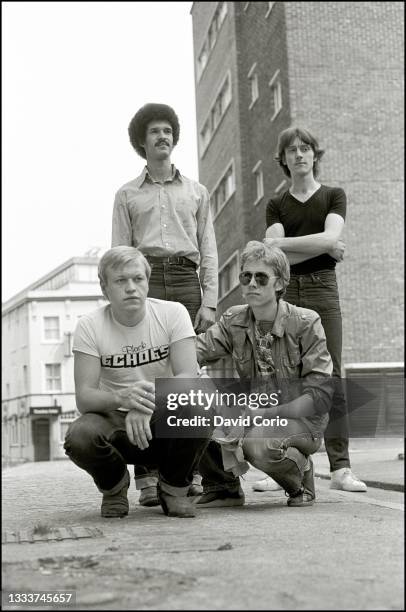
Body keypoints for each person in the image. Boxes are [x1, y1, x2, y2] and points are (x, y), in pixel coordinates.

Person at [111, 103, 218, 503]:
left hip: (186, 280)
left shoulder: (197, 192)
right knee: (144, 366)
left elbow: (208, 247)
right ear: (142, 141)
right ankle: (147, 478)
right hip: (146, 278)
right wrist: (124, 299)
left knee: (185, 377)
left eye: (167, 130)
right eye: (154, 131)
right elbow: (120, 252)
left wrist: (209, 299)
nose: (163, 136)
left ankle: (185, 472)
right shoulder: (126, 194)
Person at [257, 125, 366, 493]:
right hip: (286, 293)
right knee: (284, 378)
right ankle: (280, 460)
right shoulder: (276, 204)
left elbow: (320, 238)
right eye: (292, 150)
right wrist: (323, 245)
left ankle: (341, 468)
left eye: (306, 148)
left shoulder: (334, 195)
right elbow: (274, 251)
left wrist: (291, 243)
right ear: (284, 159)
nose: (300, 154)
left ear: (314, 155)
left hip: (322, 288)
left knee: (330, 377)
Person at [64, 246, 210, 519]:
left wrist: (143, 403)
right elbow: (84, 397)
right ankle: (114, 485)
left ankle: (174, 488)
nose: (131, 287)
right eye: (120, 281)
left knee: (200, 406)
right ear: (105, 288)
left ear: (147, 280)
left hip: (163, 419)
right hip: (117, 424)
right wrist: (122, 399)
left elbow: (188, 379)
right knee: (79, 437)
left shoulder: (173, 313)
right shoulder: (89, 325)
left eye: (138, 279)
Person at [195, 241, 334, 507]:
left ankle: (300, 478)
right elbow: (194, 350)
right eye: (246, 276)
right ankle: (223, 487)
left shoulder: (306, 323)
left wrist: (265, 415)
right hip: (254, 412)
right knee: (191, 396)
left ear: (280, 283)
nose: (252, 284)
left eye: (261, 277)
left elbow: (319, 397)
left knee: (258, 444)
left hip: (303, 423)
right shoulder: (233, 320)